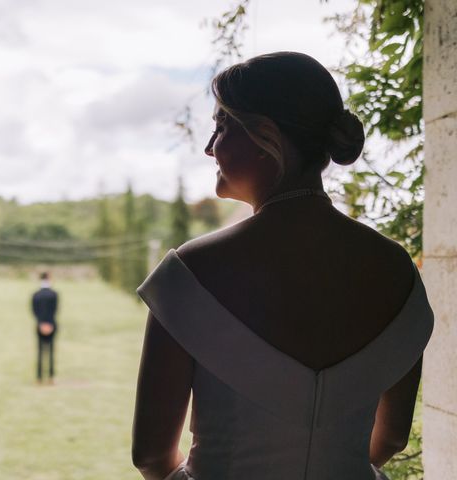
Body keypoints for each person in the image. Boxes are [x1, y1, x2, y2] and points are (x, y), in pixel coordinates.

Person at [132, 52, 434, 480]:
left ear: (265, 137)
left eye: (220, 127)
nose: (208, 148)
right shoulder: (398, 270)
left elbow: (150, 455)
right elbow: (391, 438)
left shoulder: (189, 273)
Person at [31, 271, 58, 384]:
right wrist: (49, 324)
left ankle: (39, 377)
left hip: (39, 325)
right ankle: (51, 376)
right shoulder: (54, 294)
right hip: (51, 324)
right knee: (51, 351)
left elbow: (34, 311)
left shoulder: (36, 295)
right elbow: (55, 311)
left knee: (40, 351)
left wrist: (41, 323)